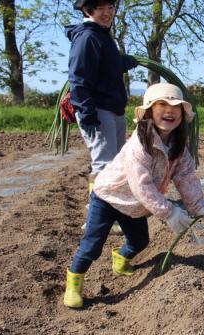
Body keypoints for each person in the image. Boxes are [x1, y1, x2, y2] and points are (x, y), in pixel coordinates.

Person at [63, 83, 204, 309]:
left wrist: (197, 205)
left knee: (140, 241)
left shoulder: (178, 147)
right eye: (162, 104)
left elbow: (186, 176)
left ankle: (121, 257)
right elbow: (141, 185)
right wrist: (168, 211)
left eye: (176, 107)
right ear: (148, 112)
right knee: (92, 246)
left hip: (135, 205)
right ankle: (74, 283)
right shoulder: (139, 145)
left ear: (183, 115)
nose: (170, 110)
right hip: (108, 198)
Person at [66, 0, 138, 205]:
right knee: (104, 166)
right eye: (101, 8)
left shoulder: (102, 35)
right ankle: (97, 215)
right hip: (98, 110)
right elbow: (78, 78)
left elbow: (103, 70)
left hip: (113, 108)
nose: (107, 13)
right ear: (88, 10)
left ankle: (112, 210)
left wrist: (122, 62)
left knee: (116, 164)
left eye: (110, 7)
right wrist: (87, 114)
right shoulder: (87, 37)